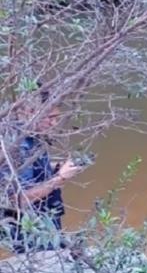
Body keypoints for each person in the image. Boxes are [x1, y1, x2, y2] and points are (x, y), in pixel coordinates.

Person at [1, 90, 86, 252]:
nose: (54, 123)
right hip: (31, 232)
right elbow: (16, 202)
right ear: (30, 113)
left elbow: (30, 170)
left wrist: (56, 167)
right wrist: (60, 178)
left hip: (47, 222)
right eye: (50, 118)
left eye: (57, 118)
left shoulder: (33, 135)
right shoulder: (15, 147)